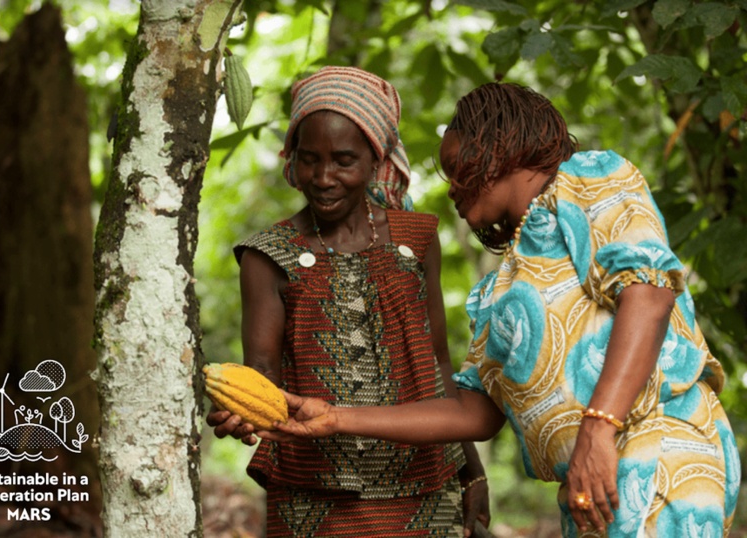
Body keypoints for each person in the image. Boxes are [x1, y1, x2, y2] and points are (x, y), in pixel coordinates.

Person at [262, 83, 742, 538]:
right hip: (590, 480)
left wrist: (598, 428)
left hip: (658, 452)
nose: (450, 189)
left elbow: (649, 291)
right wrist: (336, 417)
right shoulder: (503, 288)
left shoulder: (588, 180)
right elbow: (474, 411)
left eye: (455, 166)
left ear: (496, 147)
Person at [206, 66, 491, 538]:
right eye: (308, 158)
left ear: (376, 159)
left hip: (423, 486)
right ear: (291, 160)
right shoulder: (268, 255)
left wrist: (471, 471)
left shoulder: (417, 239)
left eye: (343, 160)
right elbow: (262, 378)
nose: (323, 177)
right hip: (313, 498)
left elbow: (439, 364)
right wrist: (241, 411)